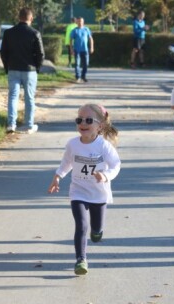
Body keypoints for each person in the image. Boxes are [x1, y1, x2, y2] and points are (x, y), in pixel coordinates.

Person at [48, 103, 120, 275]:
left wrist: (106, 175)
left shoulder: (104, 146)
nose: (83, 123)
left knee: (95, 228)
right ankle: (81, 260)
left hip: (98, 193)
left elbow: (116, 165)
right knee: (81, 225)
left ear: (100, 125)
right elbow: (66, 163)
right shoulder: (72, 144)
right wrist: (58, 176)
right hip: (78, 191)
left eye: (89, 120)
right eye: (79, 119)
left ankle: (98, 231)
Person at [0, 7, 44, 134]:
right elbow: (41, 53)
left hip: (13, 68)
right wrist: (37, 67)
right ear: (31, 18)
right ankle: (29, 124)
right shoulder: (35, 33)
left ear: (18, 17)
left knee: (13, 96)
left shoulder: (8, 33)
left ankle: (11, 124)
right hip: (30, 70)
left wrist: (6, 67)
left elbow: (3, 52)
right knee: (29, 98)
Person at [70, 17, 94, 83]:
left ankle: (83, 76)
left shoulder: (86, 29)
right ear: (77, 22)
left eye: (81, 21)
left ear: (83, 22)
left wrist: (92, 47)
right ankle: (78, 77)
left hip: (85, 50)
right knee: (77, 64)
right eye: (79, 21)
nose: (80, 23)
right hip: (77, 49)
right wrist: (71, 49)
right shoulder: (74, 30)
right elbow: (71, 40)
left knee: (85, 64)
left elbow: (90, 39)